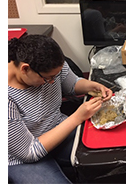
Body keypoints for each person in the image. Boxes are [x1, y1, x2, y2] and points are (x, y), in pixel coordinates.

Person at [8, 35, 113, 183]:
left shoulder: (50, 66)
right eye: (47, 78)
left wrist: (92, 85)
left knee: (108, 156)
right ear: (25, 68)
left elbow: (71, 84)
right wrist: (77, 117)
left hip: (59, 132)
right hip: (22, 157)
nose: (51, 82)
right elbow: (28, 152)